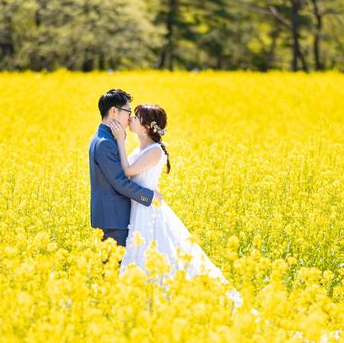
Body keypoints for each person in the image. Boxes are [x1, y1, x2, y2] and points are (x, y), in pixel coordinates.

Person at [109, 104, 242, 306]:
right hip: (140, 207)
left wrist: (120, 140)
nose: (131, 120)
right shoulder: (140, 148)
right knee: (141, 253)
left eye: (136, 117)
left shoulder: (155, 151)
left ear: (145, 127)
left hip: (148, 210)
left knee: (156, 253)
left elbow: (127, 171)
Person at [89, 89, 163, 249]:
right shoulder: (105, 142)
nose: (130, 117)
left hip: (113, 215)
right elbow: (120, 182)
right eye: (128, 111)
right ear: (114, 111)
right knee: (115, 269)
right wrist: (149, 197)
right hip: (113, 218)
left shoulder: (105, 137)